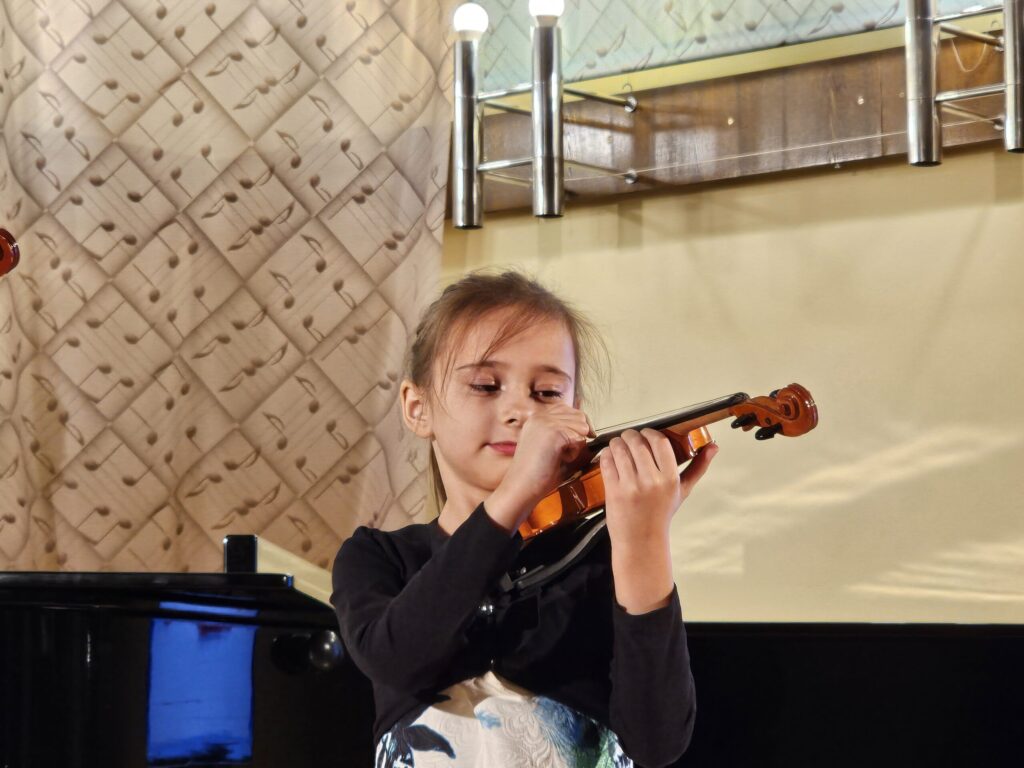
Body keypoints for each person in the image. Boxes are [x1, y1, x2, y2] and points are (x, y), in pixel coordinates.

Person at [331, 271, 717, 768]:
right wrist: (516, 492)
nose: (520, 412)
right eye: (485, 385)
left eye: (548, 394)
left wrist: (643, 543)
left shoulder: (598, 559)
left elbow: (657, 741)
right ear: (417, 407)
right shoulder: (377, 556)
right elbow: (396, 659)